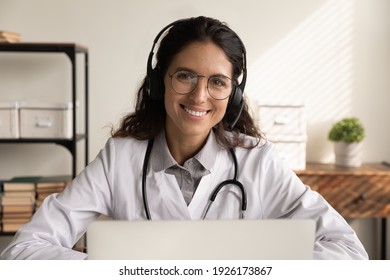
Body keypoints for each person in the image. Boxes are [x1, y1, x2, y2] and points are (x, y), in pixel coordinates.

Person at [1, 16, 368, 260]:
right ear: (161, 83)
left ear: (234, 95)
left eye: (217, 82)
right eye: (186, 76)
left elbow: (348, 249)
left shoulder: (259, 162)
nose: (198, 97)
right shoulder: (121, 158)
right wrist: (117, 270)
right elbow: (23, 251)